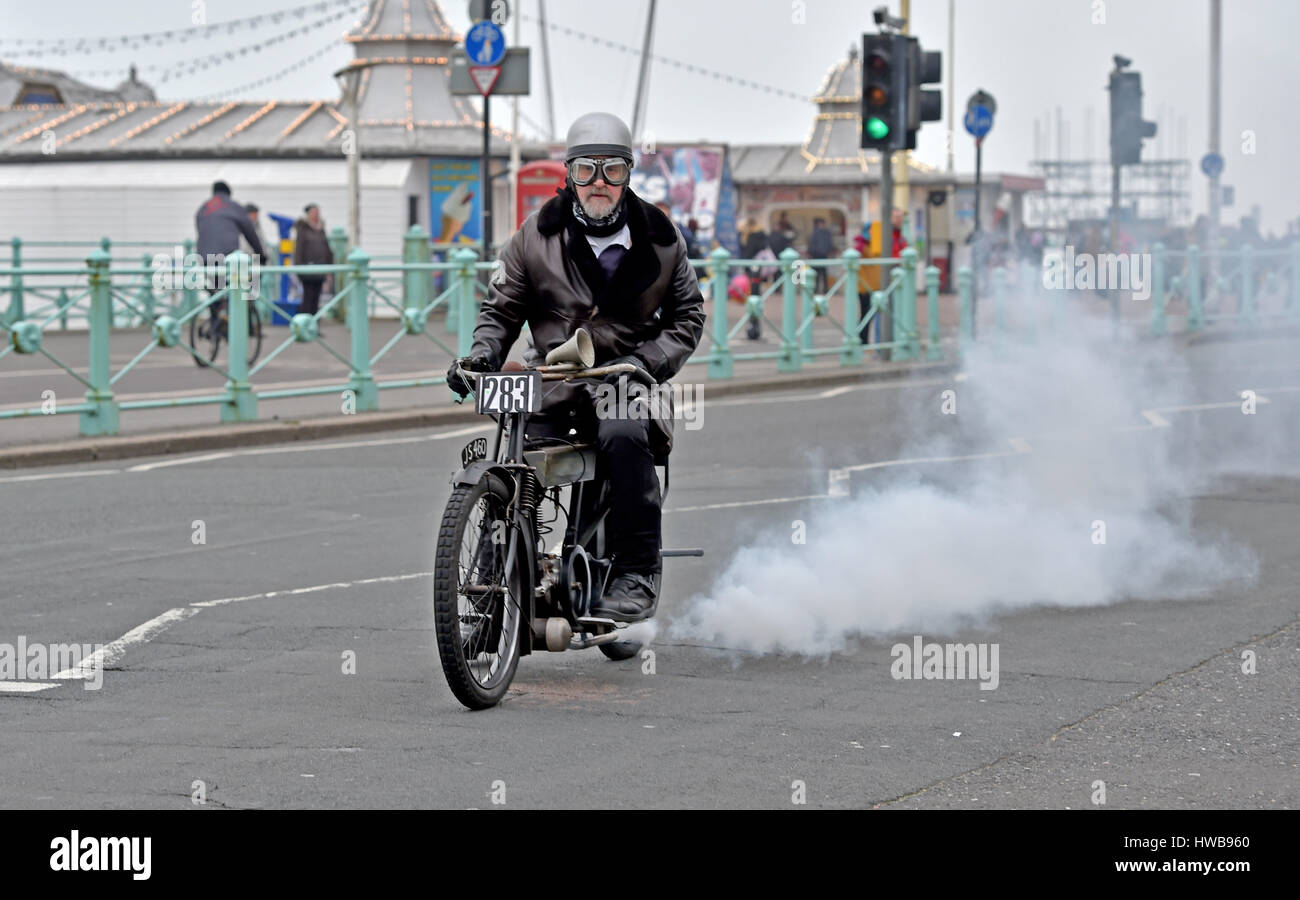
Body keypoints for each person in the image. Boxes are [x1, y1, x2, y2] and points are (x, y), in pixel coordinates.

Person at [446, 112, 705, 622]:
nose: (599, 183)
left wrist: (644, 362)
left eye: (612, 170)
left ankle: (636, 572)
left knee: (624, 434)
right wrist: (481, 357)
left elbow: (688, 316)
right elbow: (500, 311)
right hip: (554, 382)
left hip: (626, 381)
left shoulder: (661, 236)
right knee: (515, 443)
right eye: (586, 170)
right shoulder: (533, 236)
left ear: (629, 173)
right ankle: (496, 561)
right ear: (569, 174)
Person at [195, 181, 267, 314]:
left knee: (215, 292)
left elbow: (201, 231)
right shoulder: (234, 207)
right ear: (229, 193)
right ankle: (233, 324)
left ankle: (215, 325)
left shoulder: (203, 209)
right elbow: (250, 233)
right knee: (236, 289)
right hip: (228, 257)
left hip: (204, 257)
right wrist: (261, 254)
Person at [293, 203, 334, 322]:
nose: (316, 215)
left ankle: (314, 324)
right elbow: (298, 250)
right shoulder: (303, 229)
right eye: (314, 212)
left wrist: (330, 267)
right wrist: (299, 268)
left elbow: (327, 249)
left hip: (320, 269)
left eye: (317, 212)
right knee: (308, 296)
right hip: (307, 269)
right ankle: (304, 323)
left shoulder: (321, 229)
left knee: (316, 297)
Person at [808, 217, 834, 293]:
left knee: (823, 274)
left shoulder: (825, 233)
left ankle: (825, 289)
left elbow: (829, 244)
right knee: (816, 274)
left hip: (822, 255)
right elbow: (812, 244)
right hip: (816, 255)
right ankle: (815, 289)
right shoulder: (816, 233)